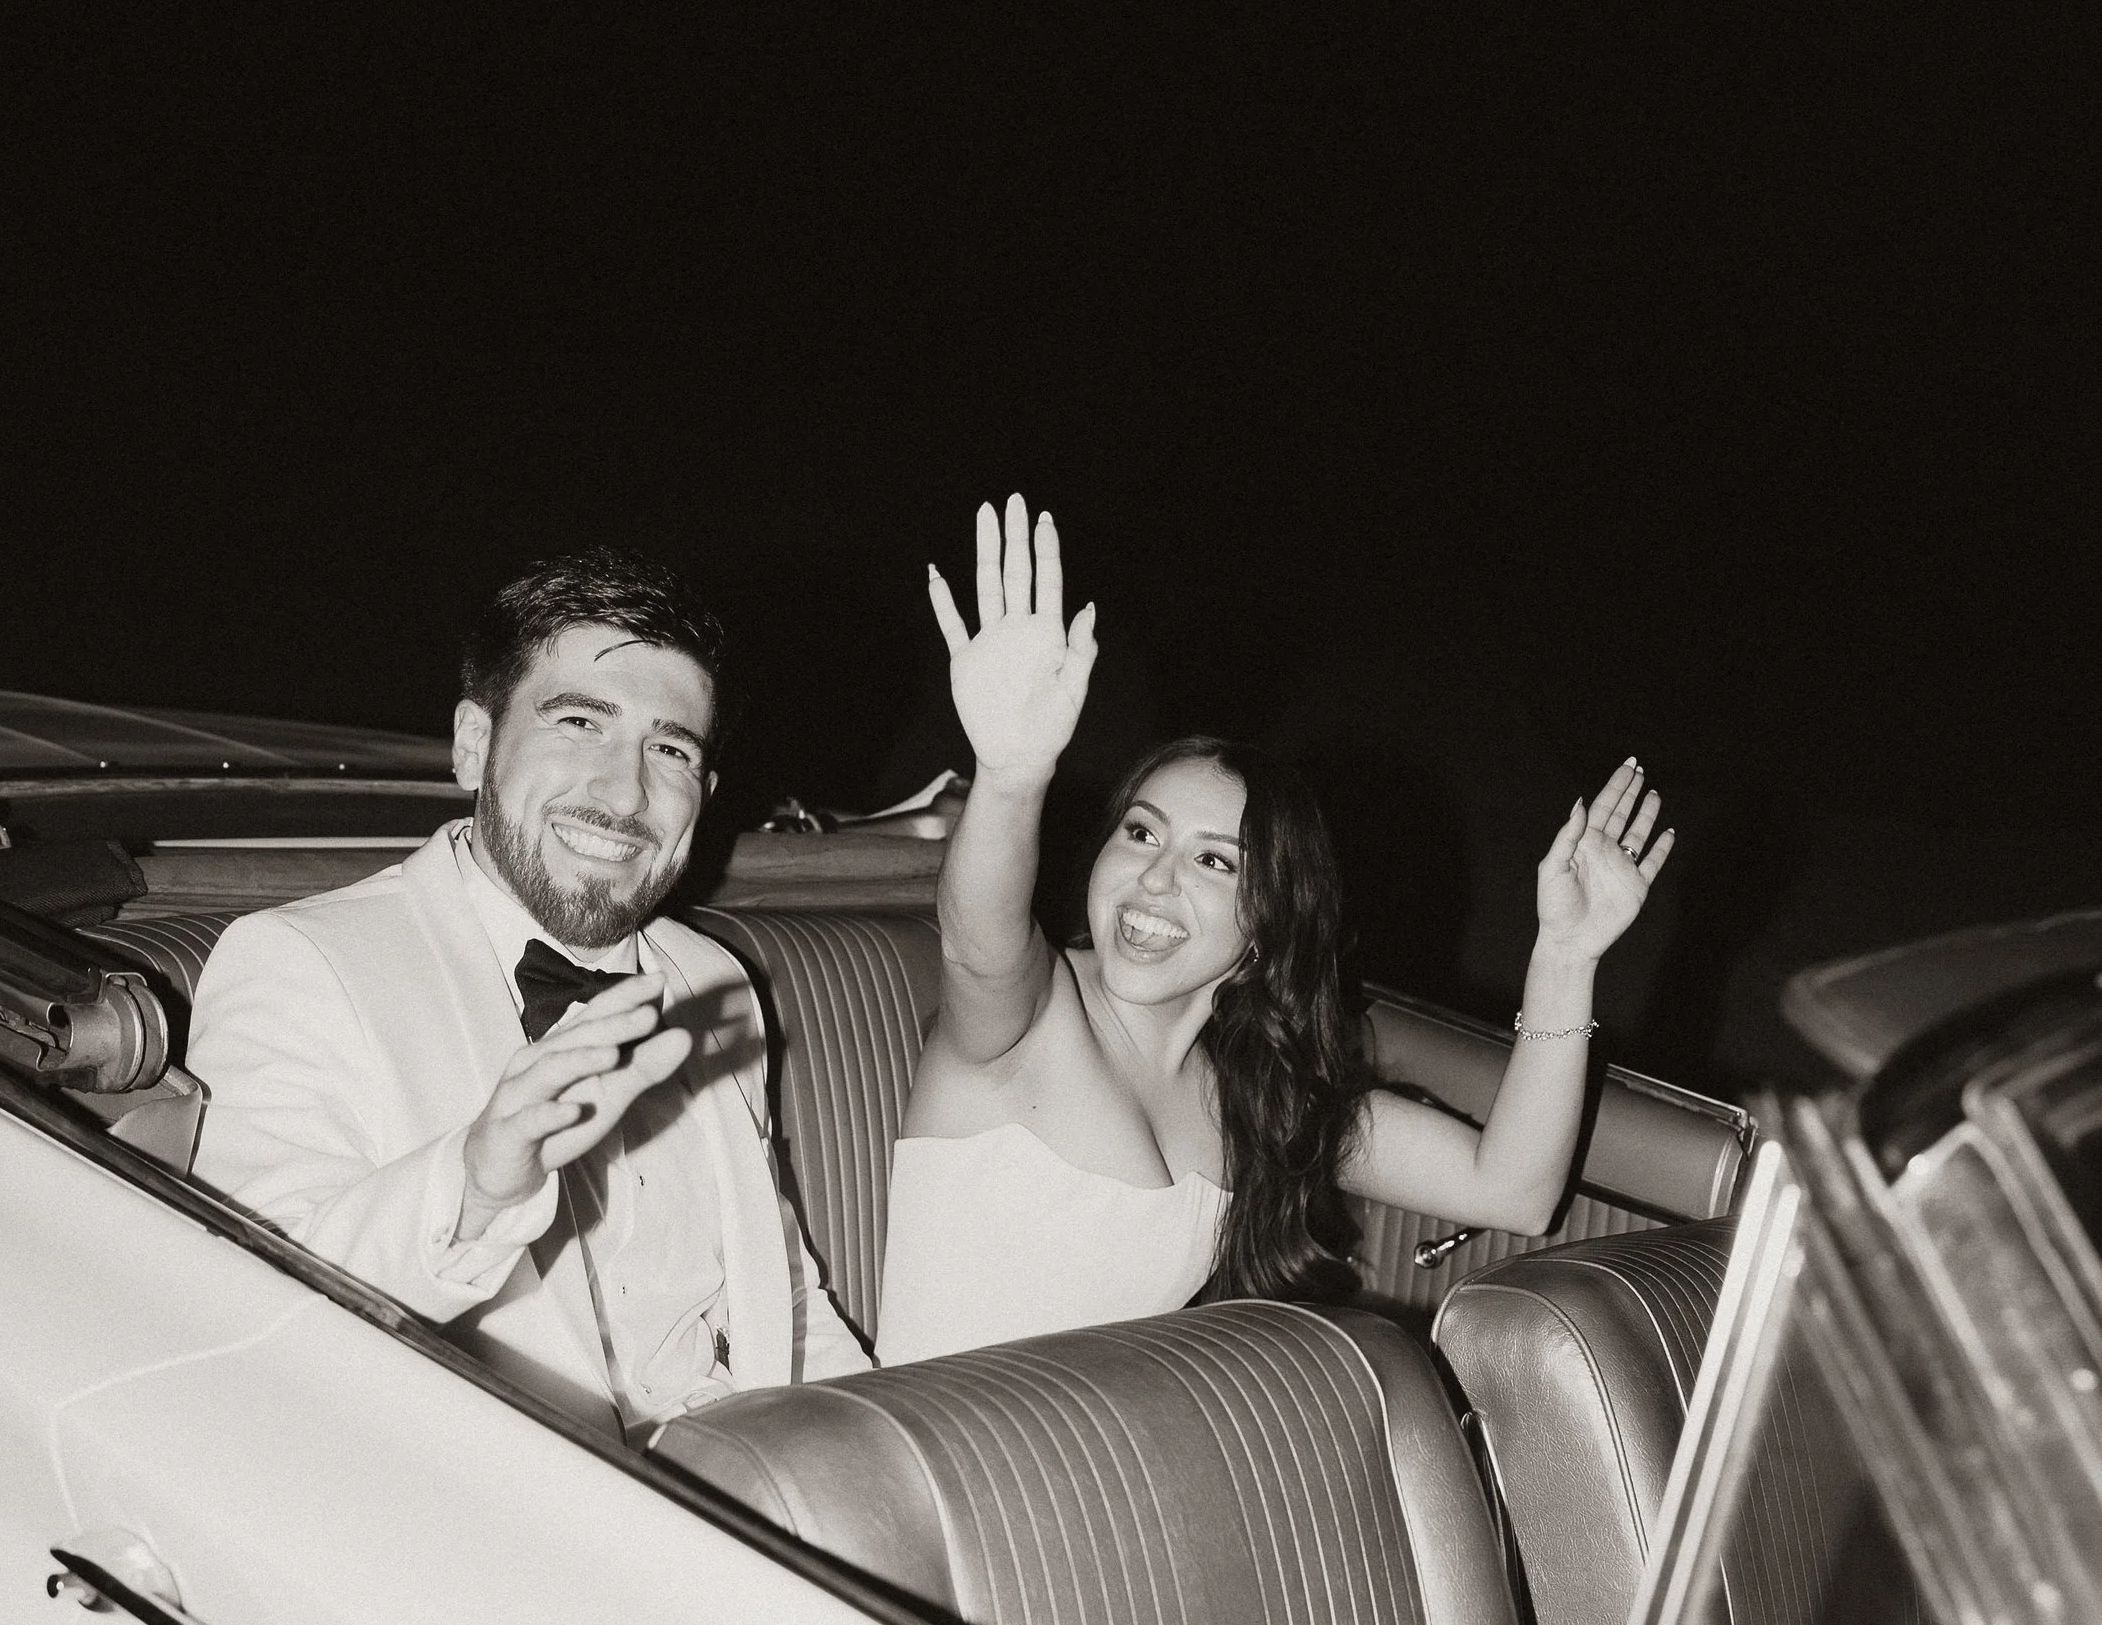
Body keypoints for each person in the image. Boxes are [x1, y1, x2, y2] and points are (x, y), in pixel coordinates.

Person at [874, 496, 1672, 1366]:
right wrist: (1012, 775)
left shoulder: (1257, 1098)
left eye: (1216, 862)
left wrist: (1565, 954)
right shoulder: (1029, 1015)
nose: (1155, 878)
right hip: (918, 1471)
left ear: (1266, 927)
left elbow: (1513, 1189)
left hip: (1081, 1480)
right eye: (1141, 832)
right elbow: (975, 942)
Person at [190, 545, 870, 1433]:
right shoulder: (297, 962)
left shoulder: (710, 977)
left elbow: (783, 1292)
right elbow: (246, 1304)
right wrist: (476, 1184)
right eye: (579, 723)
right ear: (476, 746)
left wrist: (892, 1459)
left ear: (703, 793)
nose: (624, 793)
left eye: (667, 748)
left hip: (735, 1479)